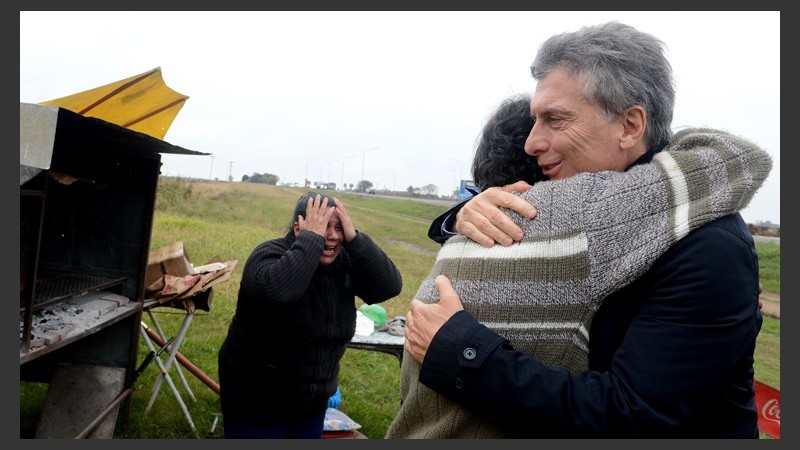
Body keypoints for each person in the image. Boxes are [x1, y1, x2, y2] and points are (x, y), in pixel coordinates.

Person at [406, 21, 770, 438]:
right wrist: (466, 212)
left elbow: (635, 415)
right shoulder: (586, 208)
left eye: (554, 120)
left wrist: (463, 352)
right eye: (533, 120)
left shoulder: (707, 246)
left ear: (630, 126)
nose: (531, 143)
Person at [218, 192, 402, 438]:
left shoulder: (342, 263)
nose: (333, 235)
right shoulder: (268, 256)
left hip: (311, 404)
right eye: (323, 226)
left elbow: (389, 286)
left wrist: (356, 240)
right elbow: (280, 292)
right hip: (256, 401)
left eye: (338, 227)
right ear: (298, 228)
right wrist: (311, 240)